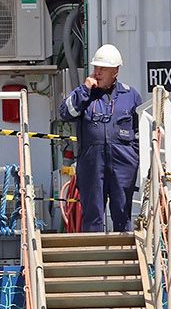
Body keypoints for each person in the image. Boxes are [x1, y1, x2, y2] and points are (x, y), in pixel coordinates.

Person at [60, 43, 143, 233]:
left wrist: (134, 157)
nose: (97, 72)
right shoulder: (83, 94)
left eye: (103, 68)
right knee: (93, 213)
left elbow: (140, 131)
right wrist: (84, 91)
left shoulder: (130, 96)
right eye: (96, 67)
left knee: (122, 212)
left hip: (123, 163)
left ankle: (123, 257)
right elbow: (65, 113)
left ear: (116, 70)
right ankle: (93, 258)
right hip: (91, 163)